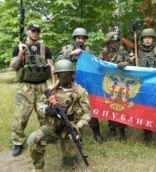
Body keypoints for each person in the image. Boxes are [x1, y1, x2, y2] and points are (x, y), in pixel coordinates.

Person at [27, 59, 91, 172]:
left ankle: (71, 155)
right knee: (34, 139)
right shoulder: (51, 90)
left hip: (70, 128)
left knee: (69, 164)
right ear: (56, 74)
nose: (64, 76)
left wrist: (77, 128)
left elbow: (87, 113)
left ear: (72, 74)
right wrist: (47, 109)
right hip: (53, 127)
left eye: (67, 73)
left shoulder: (80, 92)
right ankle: (38, 168)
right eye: (61, 73)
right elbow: (39, 105)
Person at [10, 23, 55, 157]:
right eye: (33, 31)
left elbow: (51, 67)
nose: (36, 33)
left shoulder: (45, 49)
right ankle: (18, 143)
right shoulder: (19, 47)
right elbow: (13, 67)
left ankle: (48, 135)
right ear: (27, 32)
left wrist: (52, 85)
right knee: (21, 116)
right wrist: (20, 53)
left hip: (42, 85)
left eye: (38, 31)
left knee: (45, 114)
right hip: (25, 86)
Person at [56, 27, 105, 144]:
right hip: (69, 83)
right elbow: (58, 62)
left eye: (82, 38)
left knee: (89, 106)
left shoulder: (88, 50)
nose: (80, 40)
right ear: (74, 38)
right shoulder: (66, 49)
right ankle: (70, 133)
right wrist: (72, 54)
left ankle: (96, 133)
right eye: (78, 38)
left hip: (85, 83)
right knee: (69, 108)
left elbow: (97, 62)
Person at [129, 28, 156, 149]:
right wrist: (130, 61)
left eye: (149, 38)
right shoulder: (137, 52)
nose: (147, 40)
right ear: (142, 40)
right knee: (145, 110)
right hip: (143, 88)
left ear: (153, 39)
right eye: (145, 38)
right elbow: (132, 70)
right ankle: (147, 133)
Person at [99, 31, 131, 144]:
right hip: (109, 83)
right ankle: (112, 129)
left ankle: (122, 130)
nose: (115, 44)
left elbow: (129, 60)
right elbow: (100, 65)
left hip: (121, 83)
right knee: (110, 105)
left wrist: (125, 63)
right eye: (112, 42)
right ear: (108, 42)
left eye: (116, 41)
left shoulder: (122, 50)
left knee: (121, 105)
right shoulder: (104, 52)